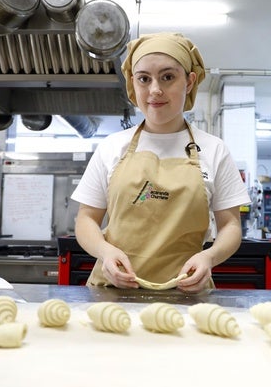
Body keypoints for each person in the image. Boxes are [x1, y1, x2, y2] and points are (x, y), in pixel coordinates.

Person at [71, 32, 251, 293]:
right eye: (144, 79)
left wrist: (208, 257)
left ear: (189, 82)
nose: (155, 90)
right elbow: (86, 219)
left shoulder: (214, 150)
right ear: (133, 83)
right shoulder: (112, 147)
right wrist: (105, 252)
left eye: (168, 77)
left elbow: (231, 225)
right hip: (113, 292)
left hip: (186, 294)